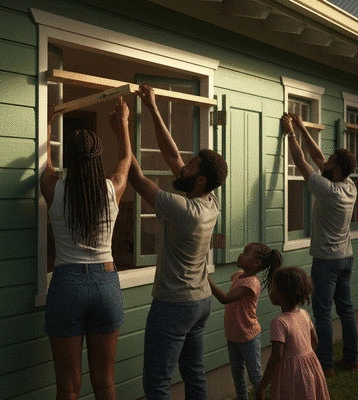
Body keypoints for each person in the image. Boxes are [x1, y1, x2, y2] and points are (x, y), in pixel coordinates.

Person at [128, 84, 228, 400]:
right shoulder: (209, 200)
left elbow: (137, 180)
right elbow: (172, 155)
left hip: (174, 305)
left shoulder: (184, 209)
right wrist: (153, 107)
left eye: (191, 165)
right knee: (194, 374)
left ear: (199, 179)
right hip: (199, 303)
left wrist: (122, 131)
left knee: (157, 383)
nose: (183, 164)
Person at [40, 98, 132, 400]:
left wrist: (48, 121)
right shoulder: (112, 189)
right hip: (106, 284)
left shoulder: (55, 189)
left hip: (68, 285)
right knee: (105, 382)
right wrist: (123, 125)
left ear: (72, 158)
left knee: (68, 386)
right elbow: (125, 161)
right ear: (96, 157)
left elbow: (46, 165)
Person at [281, 112, 358, 377]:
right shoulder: (349, 186)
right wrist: (303, 127)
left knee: (323, 312)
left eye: (331, 162)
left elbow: (302, 161)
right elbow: (317, 158)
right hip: (346, 257)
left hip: (327, 261)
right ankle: (351, 358)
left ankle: (325, 364)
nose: (326, 162)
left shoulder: (328, 190)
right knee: (345, 309)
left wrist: (290, 132)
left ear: (335, 170)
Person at [208, 242, 282, 400]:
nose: (241, 254)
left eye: (246, 253)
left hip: (248, 336)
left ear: (256, 263)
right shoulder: (239, 275)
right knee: (237, 375)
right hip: (233, 336)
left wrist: (206, 279)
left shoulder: (251, 284)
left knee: (255, 375)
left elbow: (225, 299)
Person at [256, 266, 330, 400]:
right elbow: (315, 342)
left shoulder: (279, 322)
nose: (270, 292)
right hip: (311, 369)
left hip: (291, 376)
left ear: (281, 295)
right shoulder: (304, 314)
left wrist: (262, 386)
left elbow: (276, 357)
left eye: (272, 288)